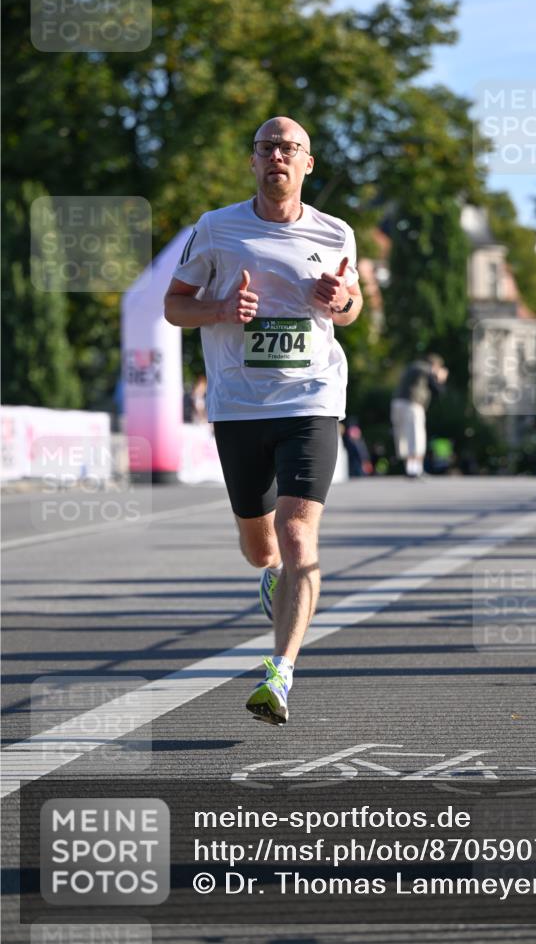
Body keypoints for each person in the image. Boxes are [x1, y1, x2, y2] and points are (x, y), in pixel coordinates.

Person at [164, 116, 362, 725]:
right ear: (253, 161)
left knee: (300, 533)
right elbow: (173, 306)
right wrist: (221, 307)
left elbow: (352, 308)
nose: (278, 155)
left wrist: (342, 302)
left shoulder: (335, 233)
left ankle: (280, 673)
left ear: (308, 164)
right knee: (261, 547)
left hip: (312, 399)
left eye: (290, 147)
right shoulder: (216, 229)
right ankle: (272, 577)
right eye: (267, 146)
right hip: (239, 405)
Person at [391, 355, 448, 477]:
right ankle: (415, 469)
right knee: (416, 437)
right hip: (412, 405)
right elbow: (438, 390)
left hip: (397, 403)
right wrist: (440, 378)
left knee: (404, 437)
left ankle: (409, 469)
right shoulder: (425, 369)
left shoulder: (413, 367)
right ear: (435, 365)